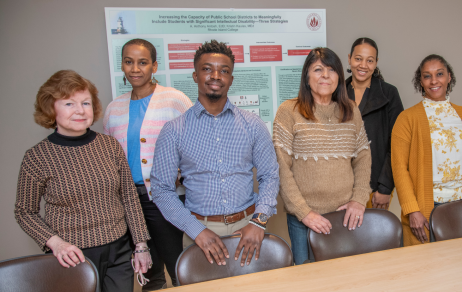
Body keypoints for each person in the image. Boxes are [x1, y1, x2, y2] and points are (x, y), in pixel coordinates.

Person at [15, 70, 151, 292]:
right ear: (51, 108)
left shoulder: (110, 146)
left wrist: (141, 245)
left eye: (86, 103)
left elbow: (129, 198)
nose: (80, 111)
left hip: (119, 252)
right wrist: (55, 243)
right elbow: (24, 212)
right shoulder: (37, 157)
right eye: (69, 104)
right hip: (71, 258)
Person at [150, 40, 279, 268]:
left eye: (224, 71)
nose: (216, 75)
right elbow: (161, 190)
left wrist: (259, 222)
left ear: (231, 79)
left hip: (248, 228)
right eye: (207, 68)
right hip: (199, 232)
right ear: (195, 75)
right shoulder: (174, 130)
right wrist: (196, 231)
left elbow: (270, 175)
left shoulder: (253, 125)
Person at [103, 39, 193, 290]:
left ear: (154, 66)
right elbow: (109, 156)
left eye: (143, 62)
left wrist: (180, 172)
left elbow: (195, 144)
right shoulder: (113, 109)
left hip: (166, 198)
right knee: (148, 269)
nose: (135, 69)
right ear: (122, 65)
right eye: (129, 62)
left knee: (179, 267)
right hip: (129, 202)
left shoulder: (174, 100)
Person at [273, 47, 372, 265]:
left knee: (347, 277)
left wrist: (359, 199)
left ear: (339, 76)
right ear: (307, 77)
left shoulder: (351, 110)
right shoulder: (289, 111)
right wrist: (303, 212)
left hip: (345, 216)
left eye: (331, 70)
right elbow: (281, 166)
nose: (325, 75)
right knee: (309, 282)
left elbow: (363, 157)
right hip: (304, 219)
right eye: (318, 69)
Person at [391, 54, 462, 246]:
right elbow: (399, 168)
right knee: (427, 269)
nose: (434, 81)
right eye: (427, 76)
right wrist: (412, 209)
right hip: (425, 208)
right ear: (420, 81)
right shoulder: (407, 118)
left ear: (449, 77)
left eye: (439, 74)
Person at [346, 37, 404, 210]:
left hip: (376, 186)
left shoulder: (389, 94)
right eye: (358, 59)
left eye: (369, 60)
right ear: (349, 58)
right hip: (342, 187)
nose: (363, 65)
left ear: (376, 62)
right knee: (345, 236)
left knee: (373, 236)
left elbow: (398, 144)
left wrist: (385, 187)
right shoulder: (336, 92)